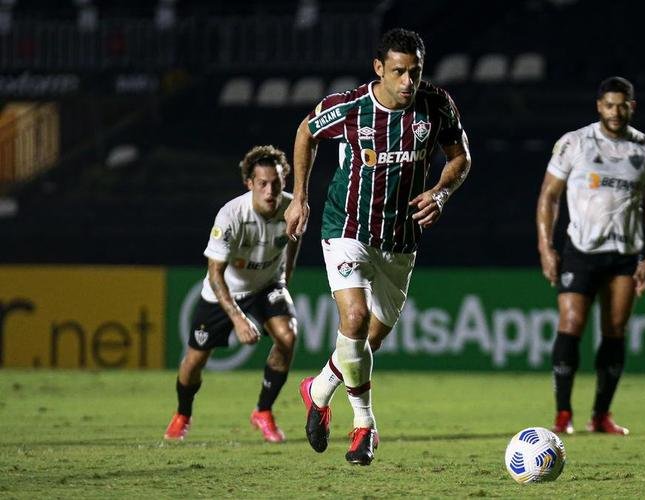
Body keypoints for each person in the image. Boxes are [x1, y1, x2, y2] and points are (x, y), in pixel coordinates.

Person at [283, 28, 470, 465]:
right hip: (346, 227)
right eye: (400, 72)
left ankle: (318, 388)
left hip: (400, 241)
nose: (408, 82)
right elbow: (306, 132)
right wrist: (300, 197)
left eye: (416, 72)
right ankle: (365, 426)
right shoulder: (349, 108)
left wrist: (442, 192)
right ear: (379, 69)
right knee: (355, 317)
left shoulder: (437, 104)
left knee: (368, 342)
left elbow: (460, 157)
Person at [536, 76, 645, 436]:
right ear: (599, 106)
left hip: (625, 253)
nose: (615, 111)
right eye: (609, 105)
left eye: (622, 105)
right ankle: (563, 414)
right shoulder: (574, 143)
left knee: (614, 330)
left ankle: (601, 415)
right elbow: (549, 197)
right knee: (571, 323)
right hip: (581, 249)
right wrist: (545, 247)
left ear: (631, 107)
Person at [164, 145, 301, 443]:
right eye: (262, 184)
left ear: (284, 182)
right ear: (249, 184)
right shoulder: (231, 215)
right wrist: (238, 319)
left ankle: (263, 411)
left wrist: (284, 282)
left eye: (276, 183)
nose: (270, 191)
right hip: (225, 291)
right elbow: (214, 274)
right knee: (194, 360)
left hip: (266, 285)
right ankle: (183, 414)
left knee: (288, 336)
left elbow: (292, 248)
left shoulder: (293, 209)